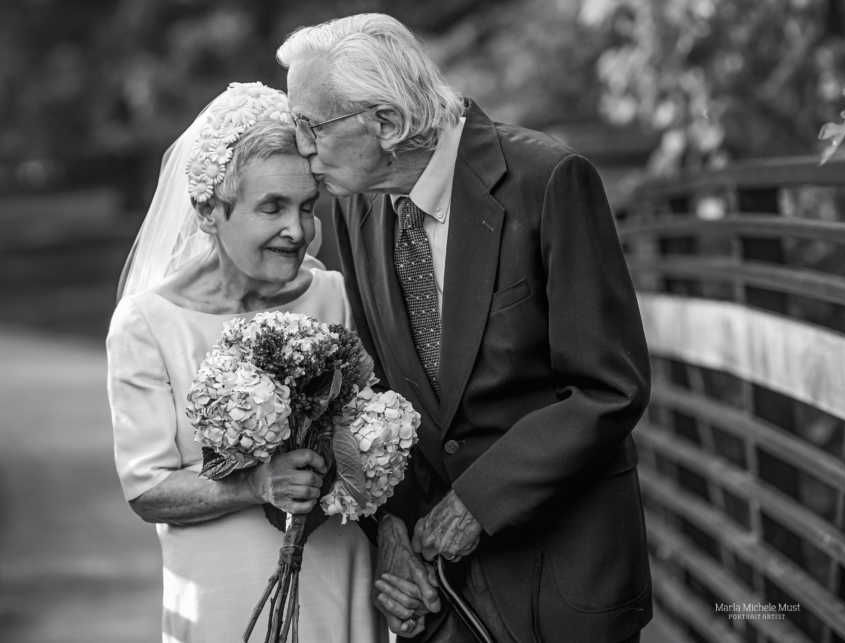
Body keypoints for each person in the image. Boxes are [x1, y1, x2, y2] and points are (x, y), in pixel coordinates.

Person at [277, 13, 653, 643]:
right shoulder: (356, 204)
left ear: (388, 124)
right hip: (441, 592)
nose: (303, 148)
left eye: (311, 127)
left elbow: (609, 387)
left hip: (565, 573)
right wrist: (392, 529)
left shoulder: (548, 180)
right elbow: (377, 394)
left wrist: (478, 501)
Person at [106, 82, 385, 643]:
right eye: (272, 207)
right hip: (221, 593)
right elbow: (147, 489)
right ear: (210, 210)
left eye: (306, 206)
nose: (297, 229)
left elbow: (379, 441)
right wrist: (255, 484)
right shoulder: (148, 324)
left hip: (340, 575)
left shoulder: (336, 296)